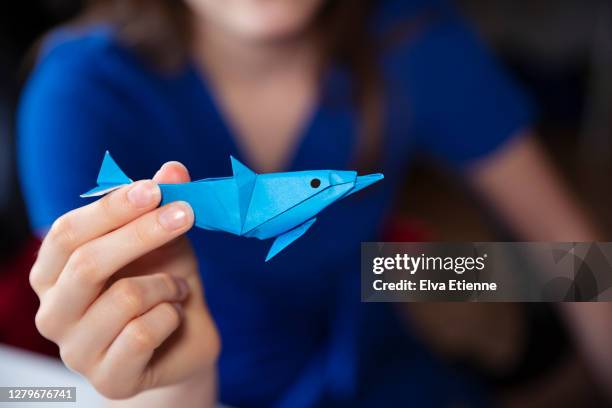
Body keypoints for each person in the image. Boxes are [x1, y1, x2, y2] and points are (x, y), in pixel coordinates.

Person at [17, 0, 612, 406]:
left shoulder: (417, 41)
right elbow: (133, 370)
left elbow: (577, 263)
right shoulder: (80, 96)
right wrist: (178, 381)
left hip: (387, 367)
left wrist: (432, 274)